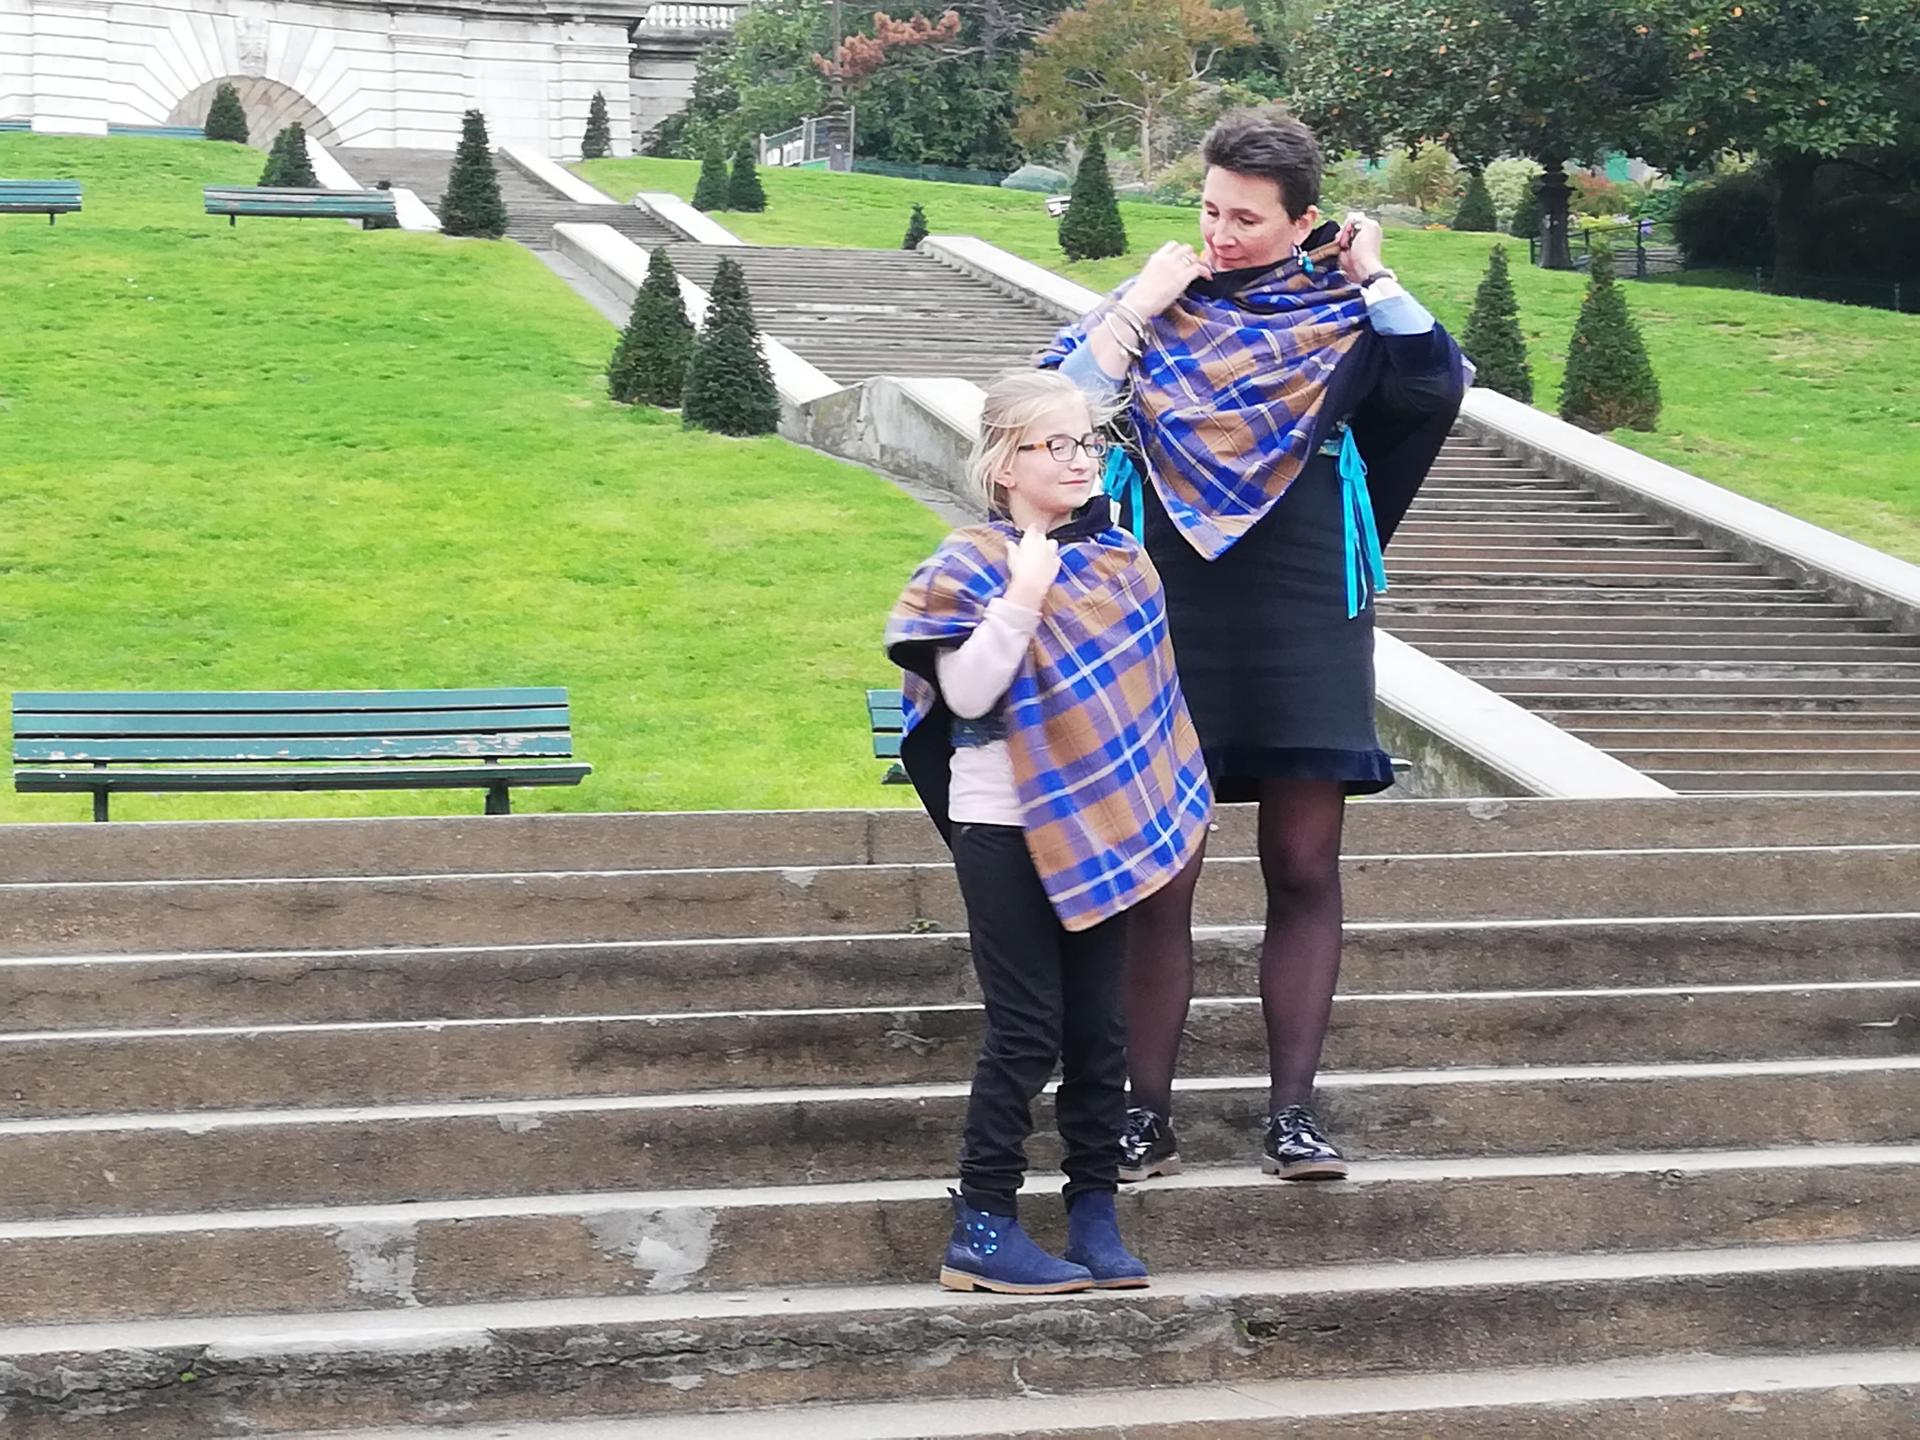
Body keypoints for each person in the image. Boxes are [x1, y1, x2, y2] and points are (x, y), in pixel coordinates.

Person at [1041, 110, 1468, 1183]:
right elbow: (1056, 416)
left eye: (1246, 218)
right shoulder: (1153, 309)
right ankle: (1143, 1117)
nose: (1220, 235)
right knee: (1161, 871)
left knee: (1303, 861)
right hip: (1167, 598)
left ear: (1304, 221)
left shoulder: (1346, 313)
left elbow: (1435, 386)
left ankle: (1293, 1116)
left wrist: (1375, 275)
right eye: (1209, 211)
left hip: (1305, 597)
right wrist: (1138, 303)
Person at [885, 369, 1212, 1294]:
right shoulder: (969, 562)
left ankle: (1094, 1214)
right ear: (1004, 463)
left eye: (1086, 443)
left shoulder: (1123, 562)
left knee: (1101, 1030)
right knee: (1027, 1028)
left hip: (1103, 824)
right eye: (1054, 444)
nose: (1078, 460)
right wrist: (1024, 593)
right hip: (1002, 824)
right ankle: (983, 1225)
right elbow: (967, 695)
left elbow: (1139, 705)